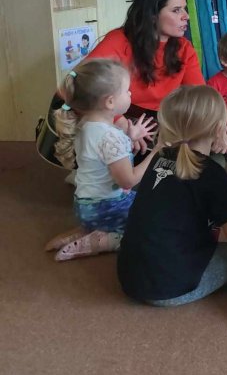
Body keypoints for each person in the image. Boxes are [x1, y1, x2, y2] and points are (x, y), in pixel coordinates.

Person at [117, 86, 227, 306]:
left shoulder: (159, 157)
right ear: (219, 128)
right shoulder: (211, 173)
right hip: (171, 288)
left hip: (129, 278)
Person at [44, 60, 158, 261]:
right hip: (107, 206)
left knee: (144, 203)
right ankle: (102, 241)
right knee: (153, 224)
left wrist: (129, 137)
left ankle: (86, 230)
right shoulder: (110, 137)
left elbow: (103, 155)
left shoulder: (85, 125)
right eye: (127, 91)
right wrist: (155, 153)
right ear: (110, 102)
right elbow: (128, 181)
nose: (130, 94)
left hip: (86, 207)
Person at [87, 0, 203, 123]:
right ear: (152, 15)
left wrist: (217, 125)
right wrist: (120, 122)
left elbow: (199, 98)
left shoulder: (184, 47)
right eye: (176, 10)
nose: (186, 16)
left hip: (162, 121)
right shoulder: (118, 40)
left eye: (184, 9)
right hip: (117, 118)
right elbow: (82, 85)